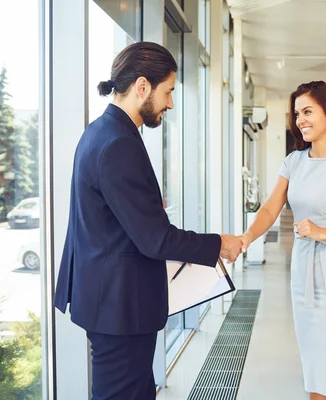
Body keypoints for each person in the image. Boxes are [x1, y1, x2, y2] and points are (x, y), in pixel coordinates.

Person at [54, 42, 243, 400]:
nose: (170, 103)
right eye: (168, 91)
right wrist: (218, 243)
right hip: (118, 308)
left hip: (112, 301)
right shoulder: (118, 143)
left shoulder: (100, 133)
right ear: (143, 86)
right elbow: (155, 238)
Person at [240, 81, 326, 400]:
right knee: (316, 375)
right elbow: (270, 208)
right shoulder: (294, 161)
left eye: (307, 111)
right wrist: (246, 238)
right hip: (302, 284)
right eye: (296, 113)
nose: (300, 119)